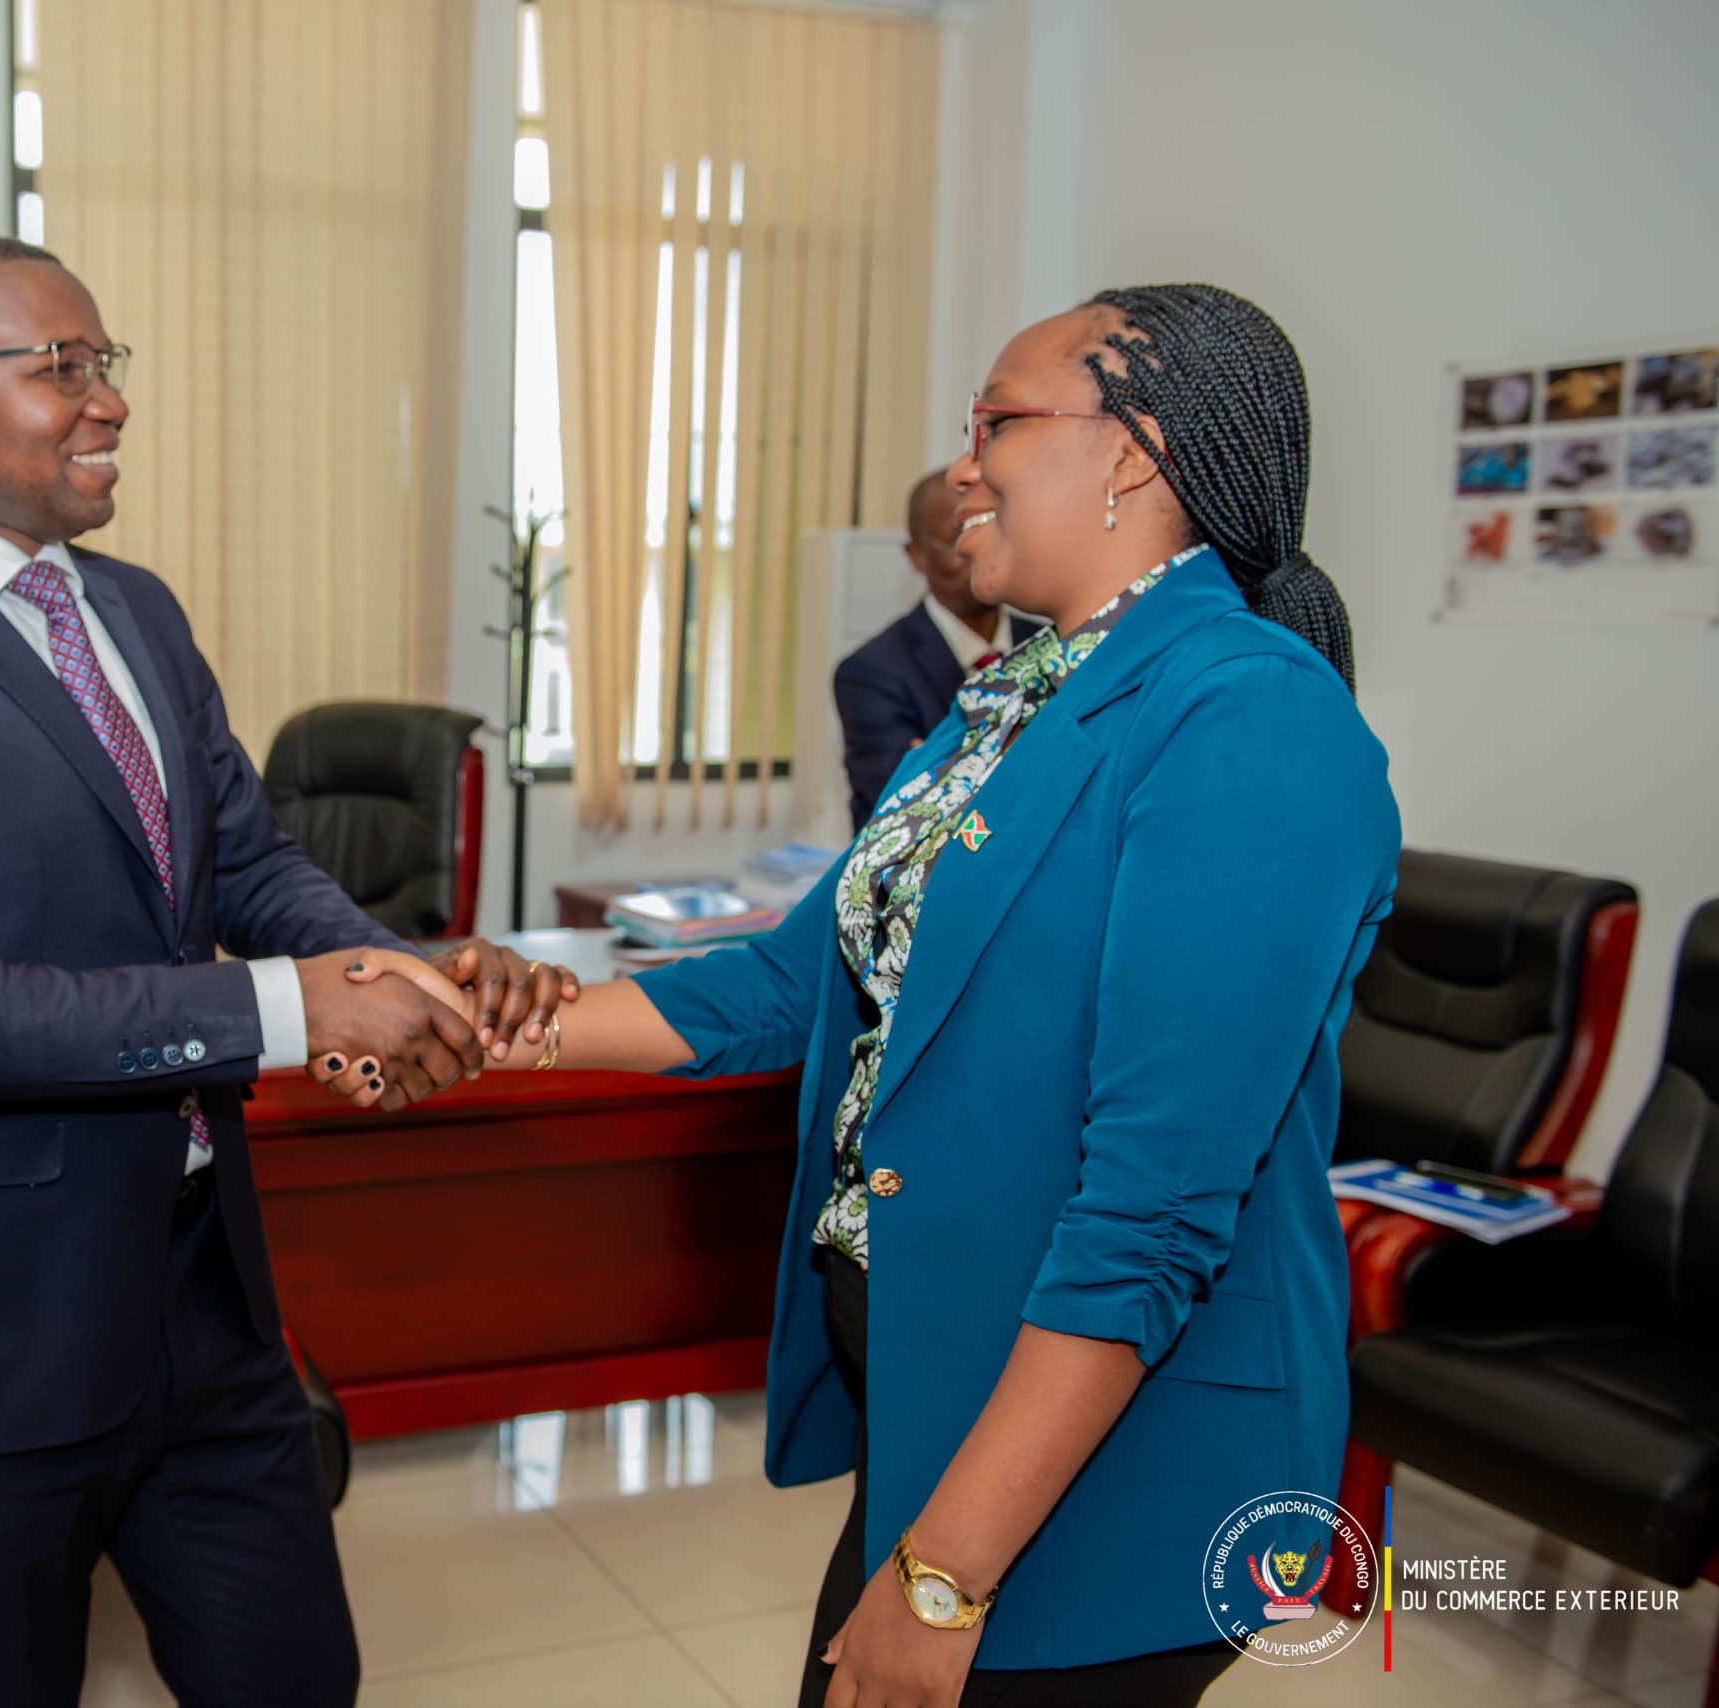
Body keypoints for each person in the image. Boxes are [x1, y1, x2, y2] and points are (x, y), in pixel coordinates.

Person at [340, 282, 1397, 1706]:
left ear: (1134, 452)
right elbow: (794, 983)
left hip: (1108, 1445)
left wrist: (946, 1574)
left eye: (997, 421)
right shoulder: (1009, 702)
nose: (968, 465)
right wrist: (476, 1027)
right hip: (951, 1392)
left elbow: (1153, 1211)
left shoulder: (1247, 715)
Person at [0, 231, 573, 1708]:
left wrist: (391, 965)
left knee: (296, 1677)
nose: (106, 401)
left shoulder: (135, 609)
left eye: (106, 363)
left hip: (197, 1296)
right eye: (61, 367)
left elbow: (241, 862)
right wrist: (303, 1009)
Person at [833, 470, 1037, 831]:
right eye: (958, 536)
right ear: (916, 555)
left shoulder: (1052, 643)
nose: (979, 548)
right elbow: (913, 805)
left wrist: (951, 761)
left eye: (994, 528)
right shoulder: (871, 672)